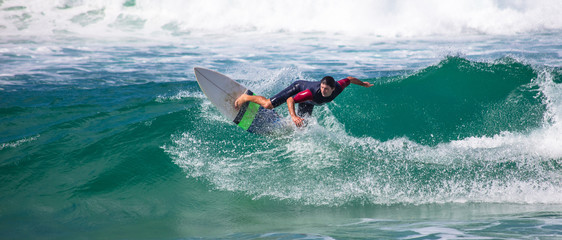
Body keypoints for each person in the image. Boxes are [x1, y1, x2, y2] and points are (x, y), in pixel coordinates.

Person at [234, 76, 373, 127]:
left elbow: (350, 79)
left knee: (302, 126)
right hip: (298, 89)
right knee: (268, 105)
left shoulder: (339, 86)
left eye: (326, 89)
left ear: (332, 88)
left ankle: (281, 123)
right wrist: (293, 116)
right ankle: (246, 97)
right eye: (322, 88)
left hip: (309, 102)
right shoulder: (311, 92)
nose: (323, 90)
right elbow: (291, 100)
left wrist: (363, 84)